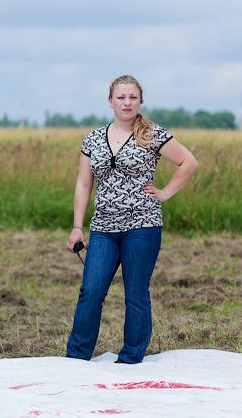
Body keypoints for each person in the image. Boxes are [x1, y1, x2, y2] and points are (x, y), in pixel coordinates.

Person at [65, 74, 198, 364]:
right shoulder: (93, 139)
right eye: (121, 97)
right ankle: (75, 358)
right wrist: (77, 227)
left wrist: (164, 193)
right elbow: (84, 184)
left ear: (140, 101)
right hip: (103, 228)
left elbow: (188, 162)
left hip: (142, 226)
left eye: (133, 97)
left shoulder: (152, 133)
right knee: (91, 291)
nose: (127, 103)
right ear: (110, 100)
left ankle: (130, 359)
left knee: (135, 293)